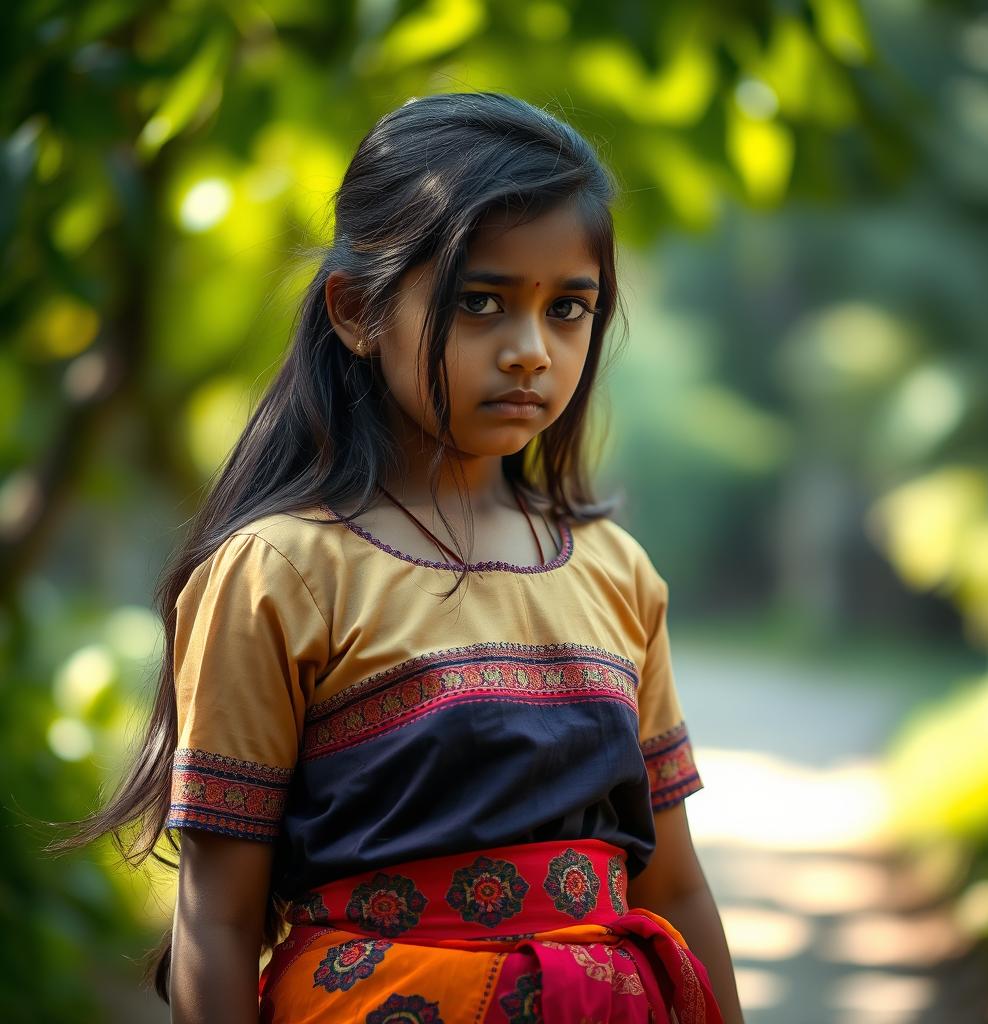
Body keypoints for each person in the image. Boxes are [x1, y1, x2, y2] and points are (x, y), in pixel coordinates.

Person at [52, 92, 744, 1023]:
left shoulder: (616, 573)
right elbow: (216, 919)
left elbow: (678, 886)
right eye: (482, 302)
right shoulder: (281, 574)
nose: (531, 351)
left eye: (570, 308)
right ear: (355, 311)